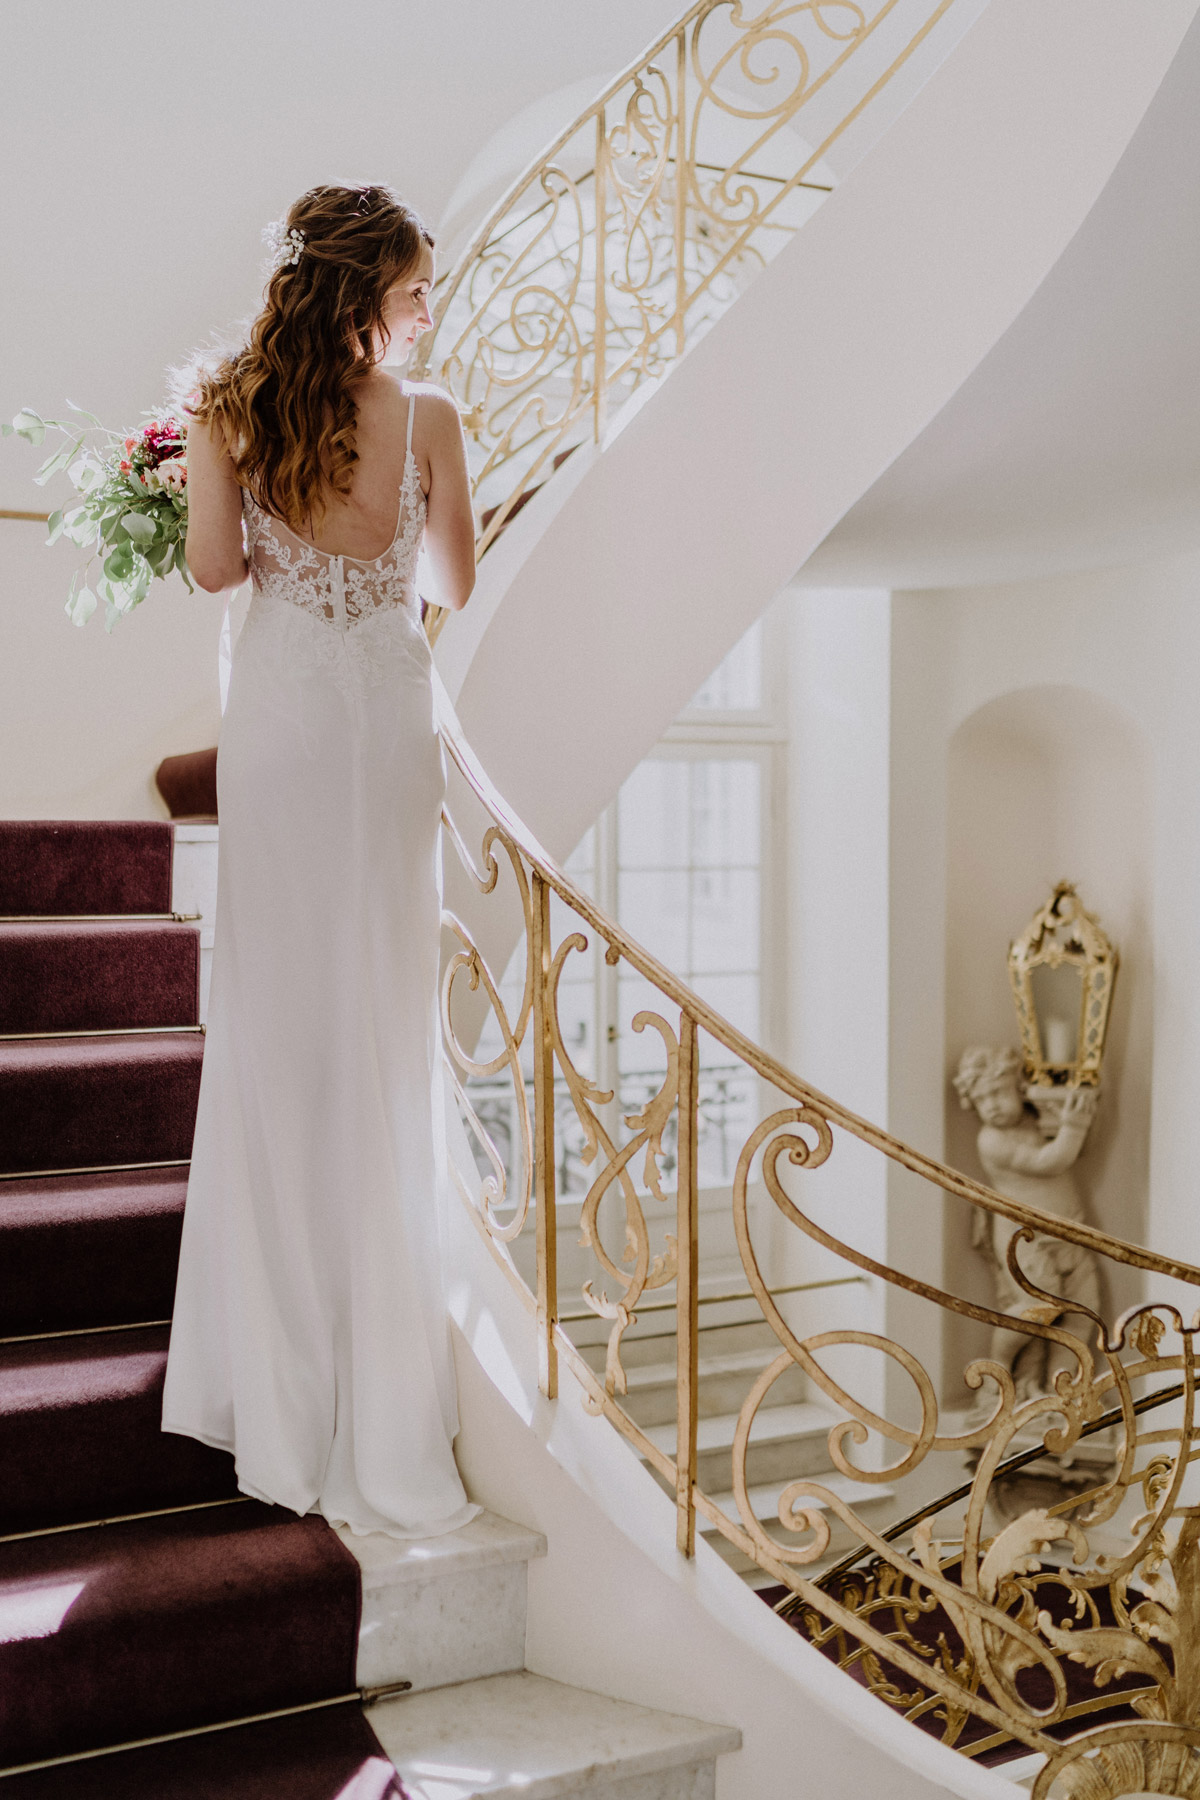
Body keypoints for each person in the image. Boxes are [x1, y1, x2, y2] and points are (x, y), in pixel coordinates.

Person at [162, 184, 479, 1539]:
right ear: (367, 293)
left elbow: (217, 573)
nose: (426, 311)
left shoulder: (230, 404)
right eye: (415, 289)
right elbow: (453, 584)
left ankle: (280, 1386)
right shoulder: (432, 418)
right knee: (379, 1016)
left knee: (276, 1027)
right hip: (383, 721)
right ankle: (378, 1370)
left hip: (284, 726)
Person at [952, 1046, 1101, 1405]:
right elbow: (1048, 1161)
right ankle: (998, 1367)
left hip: (1070, 1231)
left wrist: (1071, 1111)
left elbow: (1078, 1150)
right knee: (1039, 1310)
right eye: (981, 1098)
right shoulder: (992, 1140)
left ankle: (1061, 1390)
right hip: (1027, 1239)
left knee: (1082, 1315)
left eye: (998, 1092)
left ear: (1019, 1086)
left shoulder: (1036, 1120)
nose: (991, 1105)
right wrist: (1074, 1124)